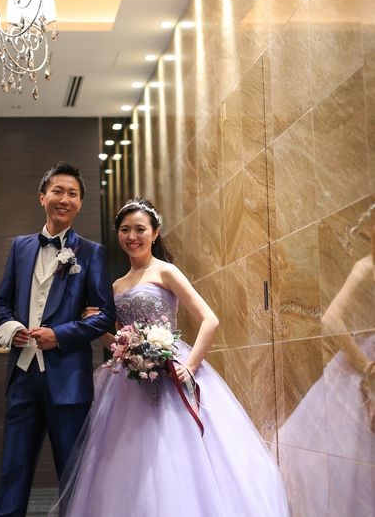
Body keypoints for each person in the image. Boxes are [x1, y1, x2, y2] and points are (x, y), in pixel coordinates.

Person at [51, 198, 289, 517]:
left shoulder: (166, 272)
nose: (132, 236)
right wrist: (93, 326)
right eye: (125, 230)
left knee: (178, 453)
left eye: (140, 229)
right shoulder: (116, 286)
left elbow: (210, 320)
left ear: (155, 232)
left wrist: (189, 367)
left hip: (173, 370)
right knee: (127, 460)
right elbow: (120, 340)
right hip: (131, 380)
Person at [0, 161, 115, 517]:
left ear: (80, 203)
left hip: (68, 382)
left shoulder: (91, 252)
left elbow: (105, 315)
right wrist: (11, 328)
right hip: (22, 377)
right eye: (57, 191)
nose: (64, 199)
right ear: (42, 196)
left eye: (72, 194)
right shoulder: (20, 247)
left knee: (73, 474)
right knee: (12, 472)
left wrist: (59, 335)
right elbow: (2, 302)